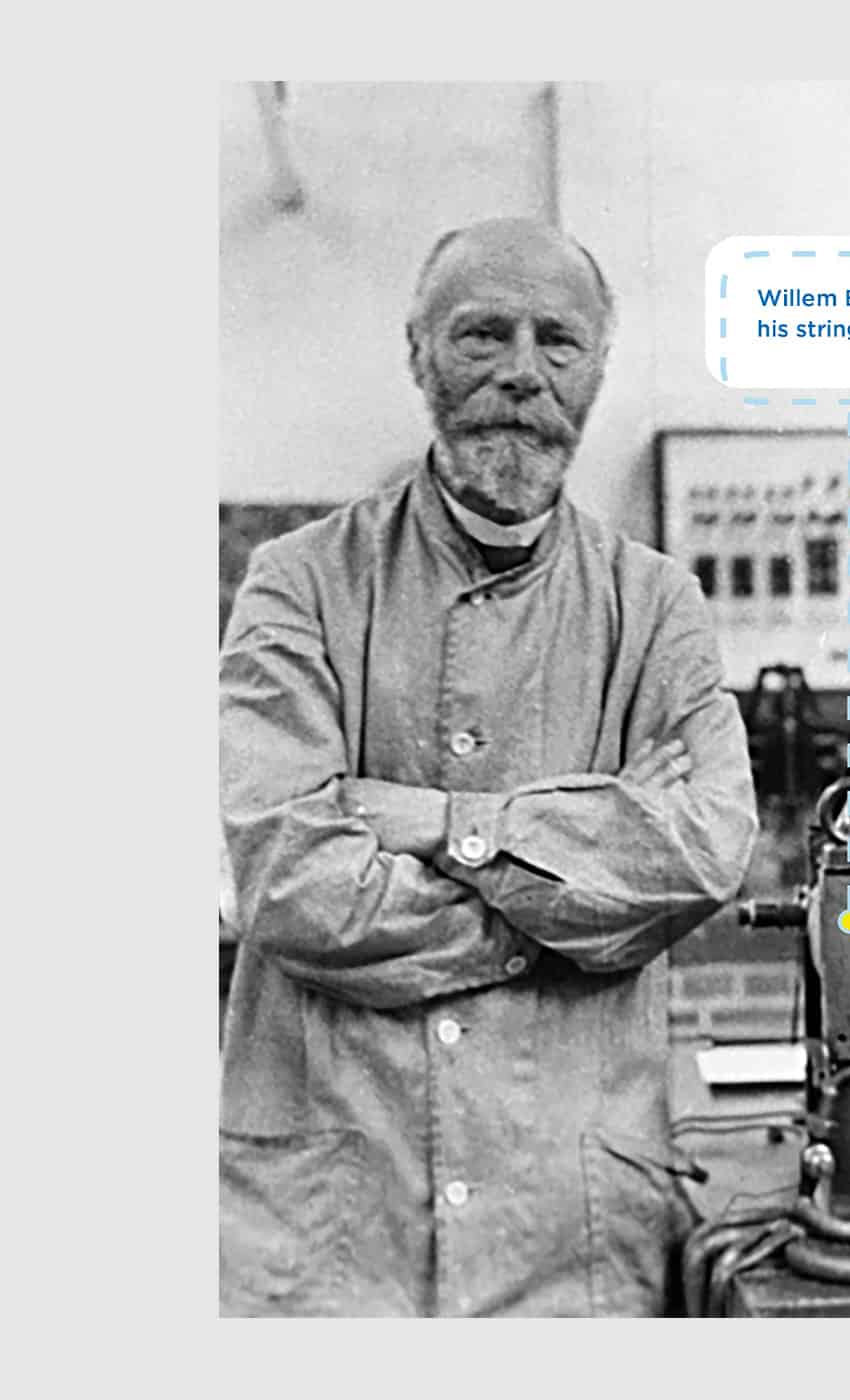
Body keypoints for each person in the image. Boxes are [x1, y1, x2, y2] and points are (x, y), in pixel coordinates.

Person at [219, 217, 758, 1317]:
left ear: (596, 369)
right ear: (418, 353)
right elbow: (291, 883)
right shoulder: (297, 583)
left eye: (557, 340)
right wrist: (568, 910)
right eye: (481, 334)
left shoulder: (657, 606)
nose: (520, 370)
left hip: (570, 1235)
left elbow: (702, 851)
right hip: (335, 1236)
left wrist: (436, 824)